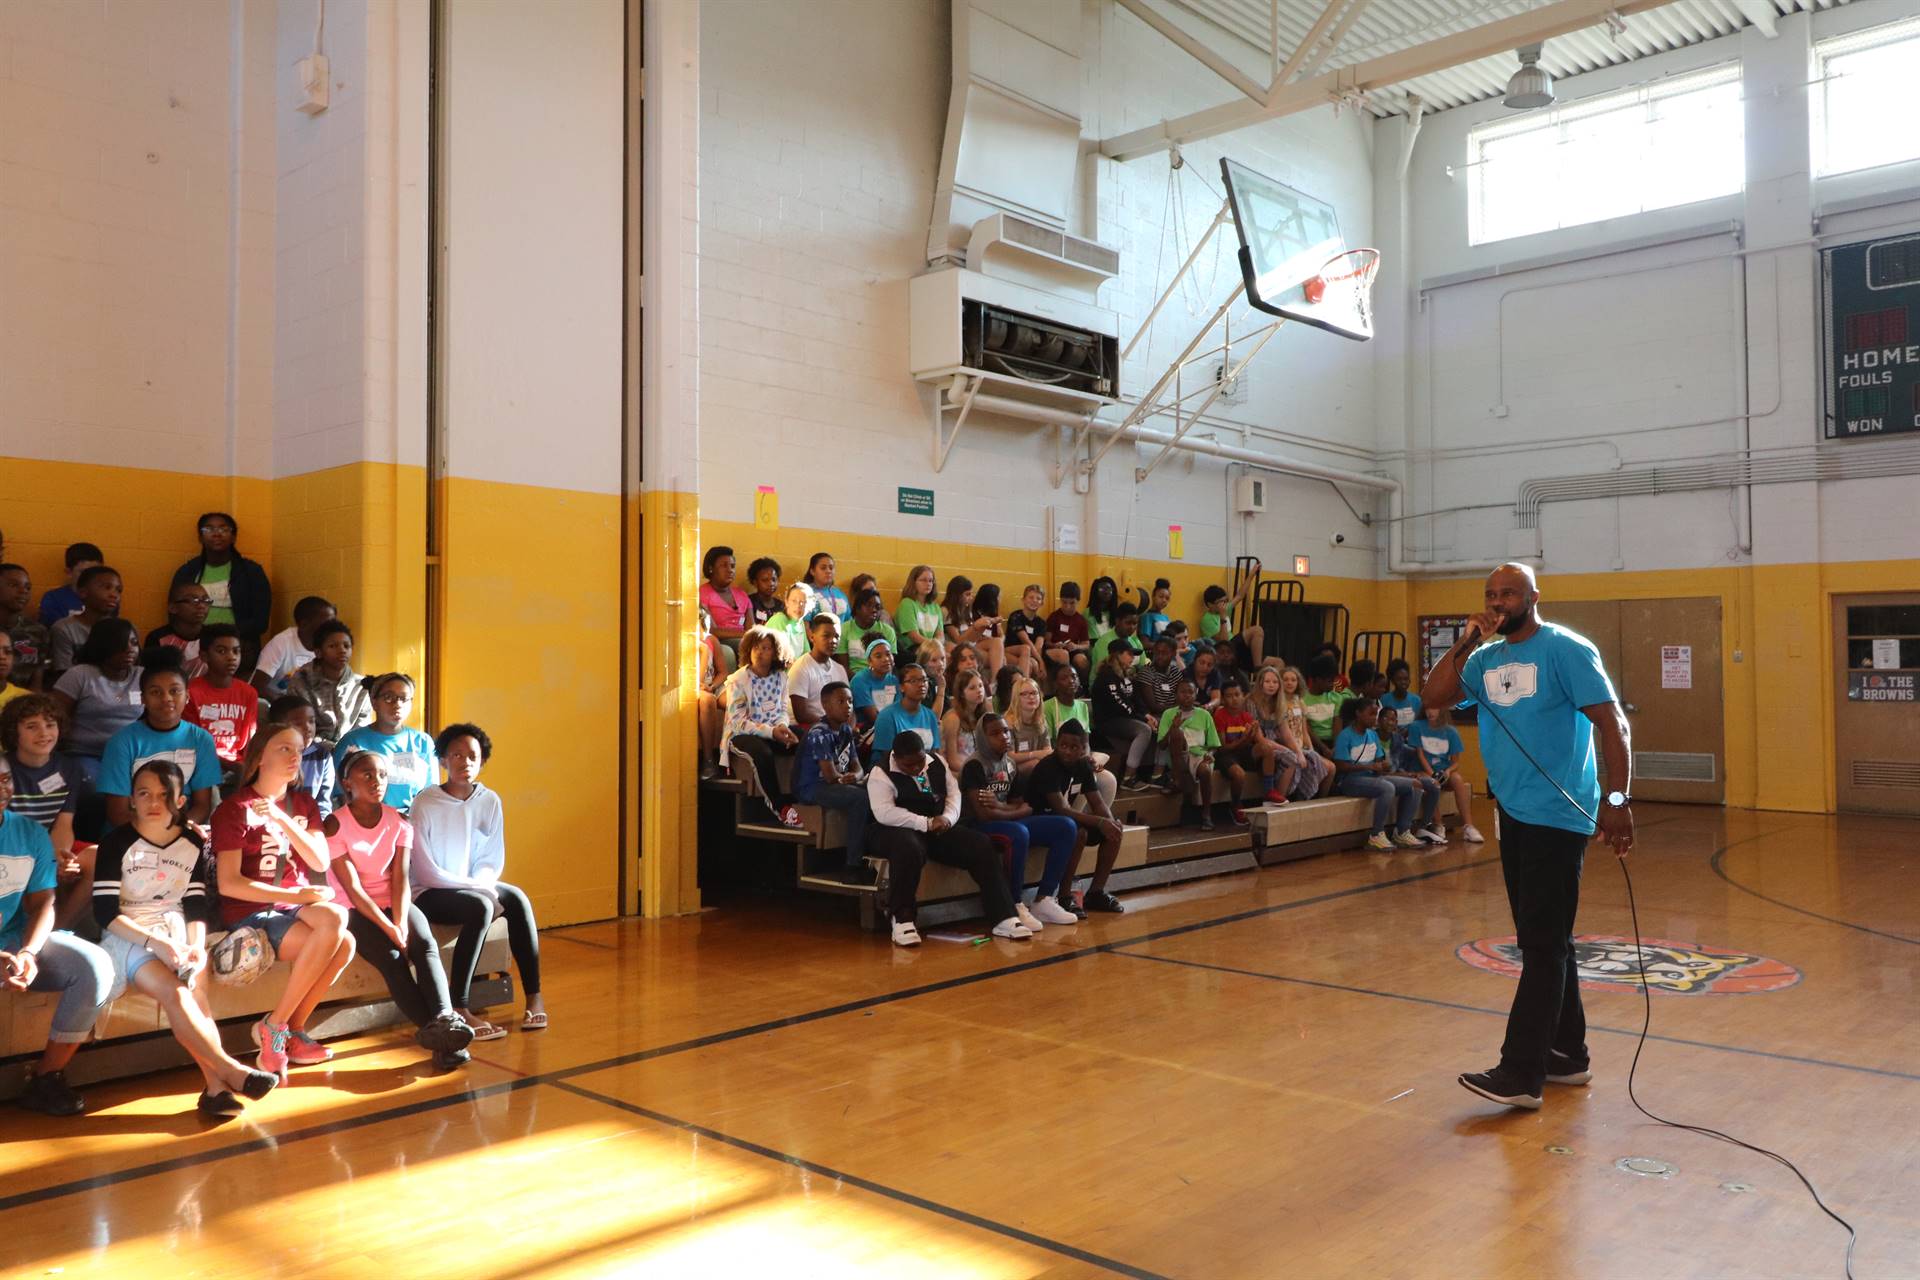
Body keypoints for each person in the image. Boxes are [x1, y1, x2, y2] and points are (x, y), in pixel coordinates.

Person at [1421, 563, 1633, 1110]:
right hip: (1512, 812)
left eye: (1508, 592)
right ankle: (1568, 1055)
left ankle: (1520, 1073)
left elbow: (1613, 725)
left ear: (1533, 596)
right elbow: (1433, 698)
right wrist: (1467, 642)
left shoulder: (1566, 649)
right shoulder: (1485, 657)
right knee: (1547, 939)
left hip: (1559, 813)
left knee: (1540, 945)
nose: (1498, 601)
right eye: (1490, 594)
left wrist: (1616, 799)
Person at [92, 760, 280, 1116]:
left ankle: (214, 1090)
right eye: (144, 793)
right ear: (131, 798)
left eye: (164, 795)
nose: (152, 802)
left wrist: (196, 947)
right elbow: (106, 913)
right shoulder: (116, 842)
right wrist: (157, 944)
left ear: (181, 801)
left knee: (198, 994)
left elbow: (194, 904)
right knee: (175, 992)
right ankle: (230, 1071)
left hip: (176, 931)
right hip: (129, 934)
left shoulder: (192, 841)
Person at [212, 724, 357, 1081]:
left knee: (340, 927)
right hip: (251, 911)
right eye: (284, 749)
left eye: (298, 751)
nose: (295, 758)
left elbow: (320, 862)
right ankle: (284, 1031)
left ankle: (280, 1027)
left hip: (294, 905)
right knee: (341, 943)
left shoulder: (302, 804)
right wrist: (294, 896)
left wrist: (279, 817)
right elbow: (229, 884)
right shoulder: (233, 809)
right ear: (260, 756)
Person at [325, 751, 474, 1069]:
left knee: (424, 944)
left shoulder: (399, 821)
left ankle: (446, 1019)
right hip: (354, 908)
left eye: (380, 774)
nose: (375, 781)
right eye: (366, 775)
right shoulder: (335, 824)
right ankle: (443, 1038)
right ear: (346, 782)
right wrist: (390, 928)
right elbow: (352, 888)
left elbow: (400, 879)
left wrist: (401, 922)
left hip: (395, 900)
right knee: (392, 959)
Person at [411, 723, 548, 1038]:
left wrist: (483, 884)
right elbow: (426, 871)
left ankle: (534, 997)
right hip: (430, 892)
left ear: (482, 761)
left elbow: (491, 859)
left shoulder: (489, 800)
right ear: (443, 761)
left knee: (517, 899)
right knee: (480, 907)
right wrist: (478, 889)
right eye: (456, 755)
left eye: (472, 756)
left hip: (470, 886)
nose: (464, 762)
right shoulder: (426, 802)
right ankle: (460, 1006)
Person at [0, 753, 113, 1116]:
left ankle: (47, 1078)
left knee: (94, 965)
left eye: (5, 779)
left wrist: (29, 953)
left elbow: (42, 902)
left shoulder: (29, 833)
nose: (1, 788)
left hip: (15, 941)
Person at [864, 730, 1028, 947]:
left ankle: (1004, 916)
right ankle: (902, 918)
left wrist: (948, 819)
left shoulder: (937, 762)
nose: (916, 768)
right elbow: (885, 812)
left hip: (937, 825)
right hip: (894, 829)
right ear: (896, 757)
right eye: (909, 765)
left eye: (919, 762)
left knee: (980, 845)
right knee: (908, 848)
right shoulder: (880, 773)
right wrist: (926, 823)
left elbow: (953, 795)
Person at [960, 715, 1079, 928]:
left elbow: (1023, 806)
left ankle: (1044, 900)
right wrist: (1012, 811)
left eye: (1005, 731)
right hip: (976, 828)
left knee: (1066, 826)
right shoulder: (974, 766)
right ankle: (1014, 903)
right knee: (1018, 832)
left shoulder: (1010, 764)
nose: (1003, 737)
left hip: (1004, 820)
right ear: (982, 738)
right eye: (995, 733)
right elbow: (983, 815)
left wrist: (1000, 806)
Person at [97, 654, 223, 828]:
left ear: (187, 696)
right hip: (131, 832)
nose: (166, 698)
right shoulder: (122, 742)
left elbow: (202, 805)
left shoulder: (201, 739)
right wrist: (156, 835)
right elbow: (118, 812)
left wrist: (176, 832)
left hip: (181, 830)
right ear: (143, 698)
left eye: (174, 691)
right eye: (156, 692)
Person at [1026, 721, 1126, 914]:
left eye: (1074, 747)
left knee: (1114, 830)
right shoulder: (1048, 766)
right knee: (1077, 832)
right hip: (1041, 819)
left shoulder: (1083, 766)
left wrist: (1110, 822)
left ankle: (1096, 892)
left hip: (1065, 820)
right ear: (1056, 744)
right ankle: (1064, 896)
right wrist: (1100, 822)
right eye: (1063, 746)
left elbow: (1096, 802)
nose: (1068, 751)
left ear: (1083, 749)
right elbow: (1062, 809)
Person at [720, 626, 802, 827]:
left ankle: (803, 796)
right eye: (756, 647)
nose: (760, 652)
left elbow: (782, 709)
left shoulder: (781, 677)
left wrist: (782, 726)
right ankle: (779, 806)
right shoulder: (738, 680)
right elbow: (738, 722)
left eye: (766, 648)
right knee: (762, 752)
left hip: (773, 729)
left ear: (775, 653)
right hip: (741, 735)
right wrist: (771, 732)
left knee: (804, 739)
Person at [791, 682, 870, 881]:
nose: (848, 706)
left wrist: (856, 777)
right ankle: (852, 865)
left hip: (836, 783)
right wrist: (849, 780)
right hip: (812, 788)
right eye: (841, 701)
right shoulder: (820, 732)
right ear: (825, 705)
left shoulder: (845, 731)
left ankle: (870, 856)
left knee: (876, 790)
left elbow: (858, 767)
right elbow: (829, 776)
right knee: (861, 799)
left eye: (851, 701)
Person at [333, 673, 439, 814]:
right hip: (365, 823)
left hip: (413, 823)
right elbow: (340, 794)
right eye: (389, 698)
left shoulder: (423, 742)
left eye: (404, 698)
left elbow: (431, 794)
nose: (397, 704)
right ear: (374, 702)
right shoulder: (352, 742)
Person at [50, 617, 144, 776]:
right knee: (94, 785)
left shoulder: (143, 676)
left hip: (128, 754)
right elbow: (56, 719)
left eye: (134, 643)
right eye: (121, 644)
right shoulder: (80, 675)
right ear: (103, 645)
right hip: (83, 753)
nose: (130, 649)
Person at [2, 695, 80, 876]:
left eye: (50, 725)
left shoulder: (69, 768)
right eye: (31, 727)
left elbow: (63, 825)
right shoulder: (2, 769)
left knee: (91, 857)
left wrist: (56, 857)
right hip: (9, 848)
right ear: (14, 732)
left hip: (45, 846)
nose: (44, 733)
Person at [1332, 698, 1423, 851]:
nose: (1374, 718)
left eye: (1375, 714)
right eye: (1371, 714)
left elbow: (1379, 760)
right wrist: (1369, 766)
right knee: (1387, 788)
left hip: (1373, 776)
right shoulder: (1345, 735)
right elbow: (1340, 766)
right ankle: (1376, 835)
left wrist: (1383, 765)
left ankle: (1402, 831)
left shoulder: (1372, 735)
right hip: (1351, 780)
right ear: (1358, 714)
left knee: (1415, 785)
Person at [171, 512, 271, 651]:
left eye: (224, 529)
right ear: (200, 537)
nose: (217, 534)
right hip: (194, 646)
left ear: (233, 537)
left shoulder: (251, 572)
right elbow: (174, 614)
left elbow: (260, 622)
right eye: (209, 529)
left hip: (239, 647)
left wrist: (224, 636)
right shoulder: (187, 572)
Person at [284, 619, 373, 751]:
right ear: (319, 652)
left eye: (346, 646)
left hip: (350, 750)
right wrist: (328, 748)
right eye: (333, 646)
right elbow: (299, 726)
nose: (342, 651)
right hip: (310, 750)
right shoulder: (301, 682)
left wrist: (347, 750)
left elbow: (361, 729)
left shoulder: (361, 686)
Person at [185, 624, 258, 774]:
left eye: (236, 651)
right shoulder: (191, 692)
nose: (231, 657)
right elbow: (192, 745)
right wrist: (232, 767)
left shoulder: (249, 693)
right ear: (204, 656)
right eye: (221, 651)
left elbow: (249, 743)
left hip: (237, 767)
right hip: (200, 765)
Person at [1412, 705, 1484, 843]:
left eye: (1433, 708)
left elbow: (1456, 762)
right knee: (1431, 783)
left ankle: (1468, 826)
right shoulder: (1417, 726)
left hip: (1444, 769)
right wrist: (1432, 774)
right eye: (1427, 709)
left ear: (1441, 710)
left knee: (1457, 779)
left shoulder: (1451, 731)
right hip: (1424, 769)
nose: (1430, 712)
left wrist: (1447, 772)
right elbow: (1420, 755)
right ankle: (1438, 824)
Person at [1091, 636, 1154, 789]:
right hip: (1109, 721)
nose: (1133, 657)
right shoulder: (1106, 676)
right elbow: (1120, 705)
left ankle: (1153, 774)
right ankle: (1128, 778)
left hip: (1126, 718)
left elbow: (1136, 699)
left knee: (1157, 725)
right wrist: (1143, 720)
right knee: (1144, 730)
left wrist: (1146, 715)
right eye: (1129, 653)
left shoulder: (1127, 674)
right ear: (1118, 654)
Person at [1158, 679, 1221, 829]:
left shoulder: (1204, 715)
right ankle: (1177, 780)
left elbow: (1214, 745)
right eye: (1182, 692)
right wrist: (1173, 728)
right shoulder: (1169, 714)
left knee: (1205, 770)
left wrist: (1210, 755)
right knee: (1178, 733)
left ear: (1196, 694)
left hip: (1198, 755)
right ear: (1176, 694)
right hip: (1177, 756)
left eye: (1190, 692)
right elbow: (1162, 745)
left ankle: (1206, 814)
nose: (1186, 696)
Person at [268, 693, 337, 821]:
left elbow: (323, 803)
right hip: (272, 821)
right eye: (298, 724)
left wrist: (318, 828)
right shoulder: (268, 755)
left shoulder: (323, 757)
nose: (308, 728)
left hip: (309, 823)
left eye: (311, 721)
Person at [1210, 676, 1269, 825]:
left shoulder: (1247, 716)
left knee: (1266, 748)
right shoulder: (1220, 716)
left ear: (1243, 696)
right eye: (1229, 696)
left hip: (1243, 752)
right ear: (1223, 699)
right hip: (1225, 756)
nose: (1234, 699)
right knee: (1239, 774)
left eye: (1237, 695)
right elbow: (1222, 748)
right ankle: (1235, 805)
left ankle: (1270, 791)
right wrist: (1243, 739)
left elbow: (1251, 744)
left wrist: (1252, 735)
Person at [47, 564, 123, 678]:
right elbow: (63, 674)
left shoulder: (125, 630)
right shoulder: (64, 628)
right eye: (107, 588)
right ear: (83, 592)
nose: (114, 595)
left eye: (118, 590)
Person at [252, 596, 337, 696]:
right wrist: (287, 705)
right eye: (326, 624)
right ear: (304, 625)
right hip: (272, 703)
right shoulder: (282, 643)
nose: (331, 629)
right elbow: (257, 687)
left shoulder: (327, 647)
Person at [1247, 666, 1305, 804]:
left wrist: (1298, 751)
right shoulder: (1251, 701)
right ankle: (1272, 796)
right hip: (1255, 745)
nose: (1271, 685)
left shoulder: (1278, 702)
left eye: (1275, 682)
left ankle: (1279, 796)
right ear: (1260, 683)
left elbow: (1286, 732)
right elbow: (1258, 737)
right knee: (1288, 755)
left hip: (1275, 743)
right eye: (1267, 681)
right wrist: (1285, 749)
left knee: (1297, 758)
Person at [1277, 665, 1336, 797]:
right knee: (1306, 765)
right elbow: (1282, 733)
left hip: (1302, 745)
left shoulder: (1300, 702)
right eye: (1285, 679)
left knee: (1331, 768)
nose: (1289, 683)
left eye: (1293, 680)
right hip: (1287, 746)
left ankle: (1318, 802)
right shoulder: (1278, 703)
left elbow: (1304, 731)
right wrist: (1299, 752)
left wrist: (1311, 750)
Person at [869, 662, 940, 761]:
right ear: (901, 687)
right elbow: (887, 756)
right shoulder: (887, 716)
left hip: (922, 770)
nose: (921, 684)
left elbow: (934, 752)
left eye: (924, 680)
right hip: (891, 770)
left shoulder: (930, 715)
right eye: (913, 681)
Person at [1200, 566, 1267, 670]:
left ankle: (1257, 666)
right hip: (1224, 650)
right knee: (1256, 630)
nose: (1224, 605)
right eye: (1221, 602)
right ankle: (1258, 670)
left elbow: (1240, 595)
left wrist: (1251, 574)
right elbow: (1224, 641)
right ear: (1210, 604)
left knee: (1277, 662)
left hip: (1236, 648)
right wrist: (1223, 617)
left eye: (1225, 601)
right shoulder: (1206, 620)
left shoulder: (1225, 609)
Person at [144, 581, 211, 679]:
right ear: (172, 607)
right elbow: (151, 677)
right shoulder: (158, 638)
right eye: (193, 600)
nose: (201, 605)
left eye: (205, 600)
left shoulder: (213, 636)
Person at [941, 576, 1004, 680]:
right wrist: (975, 626)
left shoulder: (967, 610)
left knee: (997, 642)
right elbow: (958, 640)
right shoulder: (946, 611)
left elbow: (972, 637)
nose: (971, 597)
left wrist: (981, 631)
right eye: (967, 594)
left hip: (971, 644)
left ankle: (995, 681)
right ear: (957, 595)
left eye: (971, 594)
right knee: (996, 659)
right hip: (956, 647)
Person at [785, 615, 842, 728]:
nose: (833, 641)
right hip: (807, 728)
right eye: (826, 636)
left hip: (832, 725)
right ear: (812, 637)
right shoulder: (800, 668)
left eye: (837, 636)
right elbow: (801, 715)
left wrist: (848, 727)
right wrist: (834, 726)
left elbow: (849, 707)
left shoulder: (839, 669)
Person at [2, 562, 51, 690]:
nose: (23, 591)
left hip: (21, 703)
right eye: (13, 585)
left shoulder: (37, 631)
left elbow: (36, 680)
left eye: (28, 587)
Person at [37, 542, 101, 627]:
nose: (91, 577)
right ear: (69, 572)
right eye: (84, 572)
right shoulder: (53, 599)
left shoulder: (106, 598)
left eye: (96, 572)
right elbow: (55, 632)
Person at [938, 668, 989, 773]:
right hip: (956, 771)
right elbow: (952, 761)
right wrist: (976, 772)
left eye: (980, 686)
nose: (979, 690)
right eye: (972, 688)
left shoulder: (984, 713)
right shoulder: (953, 718)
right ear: (961, 693)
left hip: (978, 767)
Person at [1299, 653, 1351, 754]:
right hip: (1313, 742)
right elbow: (1306, 728)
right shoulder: (1302, 699)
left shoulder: (1336, 698)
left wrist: (1336, 748)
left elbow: (1337, 726)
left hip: (1332, 743)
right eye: (1329, 681)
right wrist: (1324, 749)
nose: (1332, 685)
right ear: (1317, 680)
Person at [837, 588, 896, 676]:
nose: (874, 610)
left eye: (877, 607)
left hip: (880, 677)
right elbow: (844, 667)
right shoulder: (844, 629)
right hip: (853, 678)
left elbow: (889, 666)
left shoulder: (888, 631)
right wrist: (862, 681)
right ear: (857, 608)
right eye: (869, 605)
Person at [696, 607, 726, 778]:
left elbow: (723, 672)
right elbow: (698, 681)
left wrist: (713, 686)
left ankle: (730, 755)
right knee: (708, 701)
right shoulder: (695, 646)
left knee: (734, 698)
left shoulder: (711, 640)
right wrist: (703, 651)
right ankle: (708, 760)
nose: (703, 634)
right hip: (696, 687)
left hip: (711, 685)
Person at [849, 637, 900, 731]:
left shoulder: (893, 680)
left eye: (888, 654)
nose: (885, 659)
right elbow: (873, 718)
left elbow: (898, 710)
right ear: (869, 662)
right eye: (878, 656)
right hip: (867, 729)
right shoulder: (859, 681)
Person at [1003, 675, 1052, 770]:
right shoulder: (1008, 723)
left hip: (1037, 764)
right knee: (1035, 764)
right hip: (1011, 768)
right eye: (1025, 694)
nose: (1031, 697)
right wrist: (1034, 754)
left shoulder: (1041, 720)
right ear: (1016, 698)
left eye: (1034, 693)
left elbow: (1047, 750)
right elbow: (1009, 757)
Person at [1043, 581, 1091, 681]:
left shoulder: (1081, 620)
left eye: (1072, 603)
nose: (1068, 606)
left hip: (1072, 650)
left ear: (1078, 601)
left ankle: (1083, 687)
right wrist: (1055, 645)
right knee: (1062, 655)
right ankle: (1064, 686)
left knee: (1082, 660)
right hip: (1056, 650)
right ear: (1060, 600)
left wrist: (1076, 646)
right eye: (1064, 602)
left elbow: (1086, 644)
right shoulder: (1054, 617)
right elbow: (1046, 641)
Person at [894, 565, 943, 659]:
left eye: (931, 581)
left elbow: (940, 635)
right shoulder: (907, 603)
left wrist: (937, 645)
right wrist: (933, 646)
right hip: (912, 648)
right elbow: (914, 636)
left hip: (931, 646)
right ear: (913, 582)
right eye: (923, 580)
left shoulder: (935, 607)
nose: (928, 584)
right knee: (934, 656)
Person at [1002, 584, 1047, 682]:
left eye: (1038, 599)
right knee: (1026, 649)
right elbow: (1025, 640)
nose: (1034, 600)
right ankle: (1023, 687)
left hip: (1029, 654)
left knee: (1033, 664)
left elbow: (1038, 646)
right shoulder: (1015, 616)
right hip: (1010, 652)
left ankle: (1035, 692)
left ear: (1042, 603)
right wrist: (1041, 662)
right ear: (1023, 599)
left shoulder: (1041, 623)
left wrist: (1038, 663)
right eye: (1031, 597)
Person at [1042, 663, 1093, 739]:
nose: (1071, 681)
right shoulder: (1047, 707)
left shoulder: (1083, 706)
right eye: (1064, 678)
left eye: (1074, 676)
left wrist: (1086, 751)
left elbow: (1085, 742)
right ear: (1055, 684)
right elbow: (1047, 743)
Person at [1088, 601, 1142, 672]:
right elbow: (1107, 670)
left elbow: (1142, 665)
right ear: (1117, 621)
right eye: (1128, 623)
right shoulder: (1105, 642)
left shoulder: (1136, 641)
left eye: (1135, 623)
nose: (1132, 627)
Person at [804, 552, 851, 624]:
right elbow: (805, 625)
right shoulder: (806, 593)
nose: (828, 571)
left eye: (831, 568)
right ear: (812, 571)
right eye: (823, 568)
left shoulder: (840, 594)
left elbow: (848, 621)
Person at [1379, 658, 1422, 735]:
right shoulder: (1384, 700)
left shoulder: (1417, 701)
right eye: (1399, 679)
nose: (1403, 682)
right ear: (1392, 680)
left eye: (1406, 679)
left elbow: (1419, 724)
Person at [743, 556, 783, 627]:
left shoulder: (781, 605)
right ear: (755, 582)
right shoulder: (749, 602)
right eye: (765, 580)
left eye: (774, 579)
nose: (771, 584)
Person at [1084, 576, 1119, 645]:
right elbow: (1092, 640)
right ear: (1095, 592)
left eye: (1109, 589)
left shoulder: (1117, 614)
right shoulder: (1088, 613)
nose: (1106, 592)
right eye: (1102, 589)